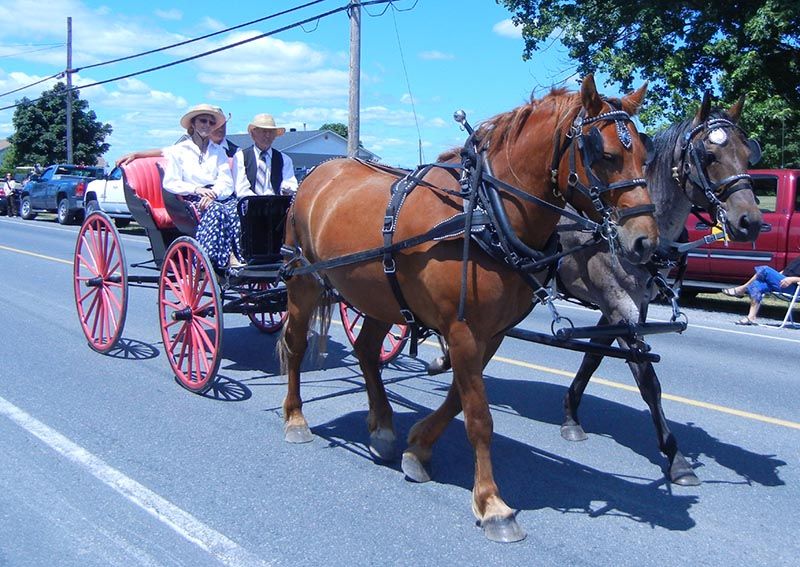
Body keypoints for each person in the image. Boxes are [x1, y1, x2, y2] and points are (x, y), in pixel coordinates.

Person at [161, 103, 243, 269]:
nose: (207, 125)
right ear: (193, 124)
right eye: (203, 121)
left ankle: (238, 255)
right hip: (189, 197)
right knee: (217, 211)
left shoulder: (219, 151)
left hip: (216, 194)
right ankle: (209, 262)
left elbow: (226, 180)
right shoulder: (179, 151)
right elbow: (170, 182)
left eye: (211, 123)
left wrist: (212, 193)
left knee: (240, 208)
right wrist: (196, 190)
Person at [721, 256, 800, 325]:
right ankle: (751, 317)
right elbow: (787, 271)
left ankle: (742, 289)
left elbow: (792, 277)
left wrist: (792, 279)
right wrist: (776, 276)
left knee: (764, 269)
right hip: (783, 283)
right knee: (755, 285)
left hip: (794, 289)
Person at [235, 114, 298, 197]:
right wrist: (259, 202)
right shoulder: (240, 157)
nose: (267, 135)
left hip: (277, 205)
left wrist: (287, 189)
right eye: (264, 131)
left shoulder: (284, 159)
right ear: (253, 134)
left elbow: (290, 183)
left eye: (271, 132)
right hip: (249, 205)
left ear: (275, 136)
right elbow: (241, 188)